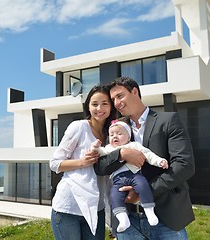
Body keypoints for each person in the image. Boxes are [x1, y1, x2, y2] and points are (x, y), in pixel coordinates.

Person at [94, 76, 195, 239]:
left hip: (166, 218)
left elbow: (184, 165)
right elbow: (100, 166)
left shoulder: (168, 120)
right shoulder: (116, 128)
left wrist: (142, 193)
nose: (116, 103)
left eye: (120, 96)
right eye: (113, 100)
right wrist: (121, 154)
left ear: (135, 91)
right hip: (128, 220)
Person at [50, 84, 117, 240]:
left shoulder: (112, 134)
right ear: (88, 106)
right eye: (94, 104)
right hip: (69, 207)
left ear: (111, 106)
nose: (99, 108)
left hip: (96, 208)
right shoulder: (79, 127)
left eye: (104, 103)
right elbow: (54, 163)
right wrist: (82, 162)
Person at [91, 117, 168, 233]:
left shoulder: (134, 145)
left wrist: (159, 161)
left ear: (128, 136)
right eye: (111, 135)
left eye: (119, 133)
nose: (115, 136)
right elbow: (100, 153)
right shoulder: (109, 148)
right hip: (117, 180)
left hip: (135, 175)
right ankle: (123, 219)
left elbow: (148, 154)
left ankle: (150, 212)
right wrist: (95, 147)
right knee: (114, 196)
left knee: (143, 186)